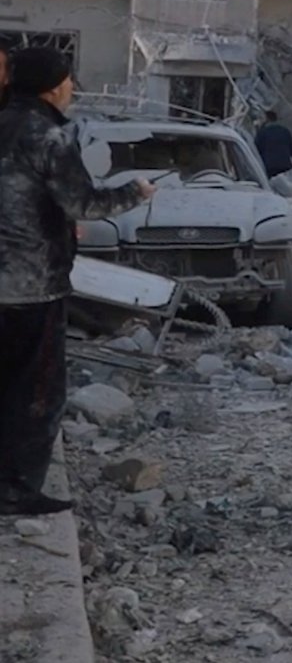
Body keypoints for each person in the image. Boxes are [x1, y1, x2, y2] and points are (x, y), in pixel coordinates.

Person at [0, 48, 155, 515]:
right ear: (53, 86)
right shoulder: (49, 136)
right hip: (32, 287)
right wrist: (136, 191)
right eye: (68, 81)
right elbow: (84, 204)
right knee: (36, 393)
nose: (72, 90)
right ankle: (17, 490)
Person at [254, 110, 292, 178]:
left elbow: (256, 150)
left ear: (267, 119)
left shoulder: (262, 133)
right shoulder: (284, 131)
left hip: (270, 166)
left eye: (262, 119)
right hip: (285, 165)